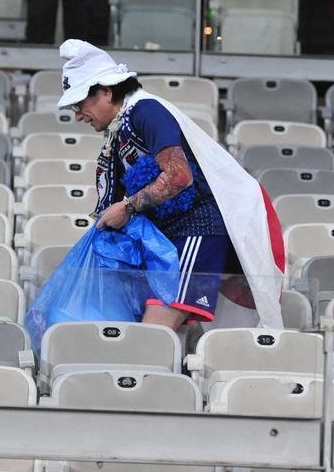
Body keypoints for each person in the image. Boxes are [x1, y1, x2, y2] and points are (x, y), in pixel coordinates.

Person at [57, 39, 285, 330]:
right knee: (151, 330)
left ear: (105, 91)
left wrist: (127, 208)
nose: (77, 115)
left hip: (197, 229)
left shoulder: (146, 111)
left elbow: (179, 175)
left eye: (80, 104)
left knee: (155, 333)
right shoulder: (120, 127)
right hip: (167, 238)